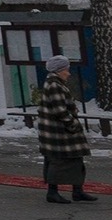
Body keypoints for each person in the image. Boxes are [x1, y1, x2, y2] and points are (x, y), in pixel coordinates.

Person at [38, 55, 96, 203]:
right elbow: (60, 110)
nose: (68, 73)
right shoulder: (54, 85)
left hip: (60, 130)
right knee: (58, 161)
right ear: (58, 70)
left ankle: (78, 190)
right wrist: (73, 124)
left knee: (76, 158)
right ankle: (52, 192)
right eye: (66, 70)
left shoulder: (56, 83)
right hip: (58, 132)